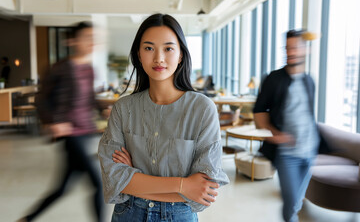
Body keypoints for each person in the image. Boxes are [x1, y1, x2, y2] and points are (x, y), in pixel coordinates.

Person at [98, 13, 229, 222]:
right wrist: (183, 185)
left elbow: (204, 191)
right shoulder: (123, 109)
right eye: (149, 48)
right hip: (128, 214)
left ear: (180, 55)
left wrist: (134, 178)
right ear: (139, 55)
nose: (158, 58)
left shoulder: (202, 109)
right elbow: (114, 179)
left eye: (168, 48)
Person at [18, 22, 105, 222]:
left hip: (85, 132)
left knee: (62, 188)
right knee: (97, 184)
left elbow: (89, 98)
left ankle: (27, 219)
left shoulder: (89, 69)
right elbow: (40, 99)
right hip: (70, 134)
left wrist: (104, 110)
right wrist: (53, 122)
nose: (92, 42)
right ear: (72, 41)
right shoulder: (60, 68)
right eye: (87, 38)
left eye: (94, 38)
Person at [253, 29, 320, 222]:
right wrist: (275, 135)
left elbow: (308, 116)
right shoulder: (274, 79)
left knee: (297, 202)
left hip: (309, 151)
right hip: (287, 154)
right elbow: (258, 112)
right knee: (290, 203)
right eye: (287, 48)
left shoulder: (309, 81)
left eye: (295, 47)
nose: (291, 52)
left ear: (305, 49)